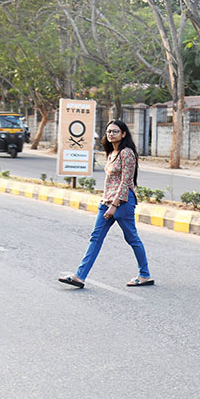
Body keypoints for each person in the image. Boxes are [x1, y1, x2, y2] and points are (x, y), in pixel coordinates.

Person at [59, 119, 152, 289]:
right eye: (109, 131)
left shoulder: (127, 153)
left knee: (132, 238)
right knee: (95, 238)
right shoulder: (111, 154)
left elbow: (125, 182)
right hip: (107, 201)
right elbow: (109, 182)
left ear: (123, 134)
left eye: (115, 131)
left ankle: (144, 274)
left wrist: (114, 205)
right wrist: (105, 201)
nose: (111, 134)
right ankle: (79, 276)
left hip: (122, 202)